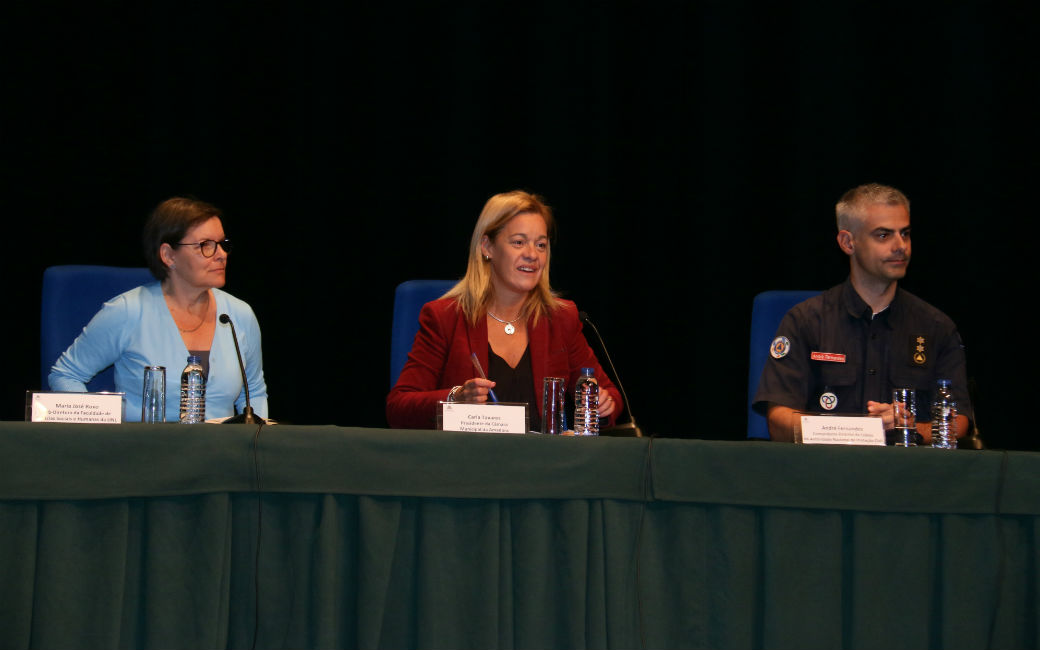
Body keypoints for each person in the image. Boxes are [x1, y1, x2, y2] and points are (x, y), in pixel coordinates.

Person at [387, 190, 622, 431]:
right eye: (519, 242)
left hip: (544, 464)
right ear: (487, 246)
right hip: (469, 462)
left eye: (541, 245)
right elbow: (399, 407)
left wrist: (603, 405)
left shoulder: (560, 318)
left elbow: (607, 394)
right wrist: (454, 400)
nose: (532, 255)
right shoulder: (446, 317)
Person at [753, 183, 970, 442]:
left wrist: (909, 428)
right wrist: (860, 431)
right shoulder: (804, 321)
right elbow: (778, 421)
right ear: (848, 242)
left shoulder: (936, 327)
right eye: (883, 235)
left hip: (909, 475)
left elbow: (958, 422)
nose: (900, 246)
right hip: (826, 473)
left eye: (906, 233)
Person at [49, 197, 268, 422]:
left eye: (222, 244)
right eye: (206, 246)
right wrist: (97, 432)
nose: (221, 254)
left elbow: (254, 392)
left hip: (221, 453)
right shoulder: (127, 312)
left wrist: (255, 446)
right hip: (143, 451)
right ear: (168, 255)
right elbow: (66, 374)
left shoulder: (239, 315)